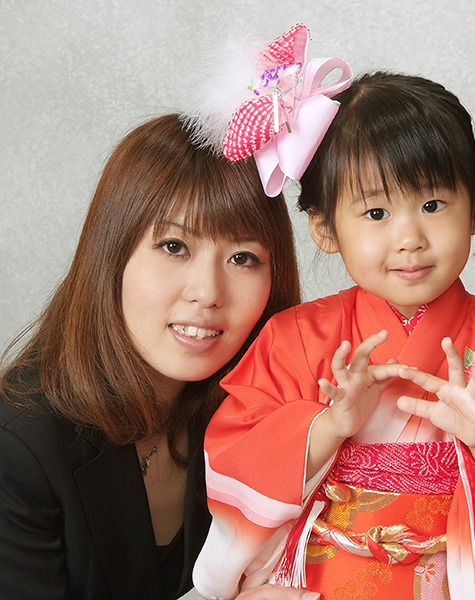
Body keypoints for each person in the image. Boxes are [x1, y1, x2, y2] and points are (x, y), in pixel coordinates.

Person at [187, 42, 475, 598]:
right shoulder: (295, 341)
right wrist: (328, 427)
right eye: (376, 212)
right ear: (324, 228)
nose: (409, 238)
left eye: (432, 205)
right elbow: (234, 454)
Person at [0, 113, 316, 600]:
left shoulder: (263, 415)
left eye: (243, 258)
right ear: (110, 254)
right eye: (174, 246)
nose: (208, 292)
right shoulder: (19, 447)